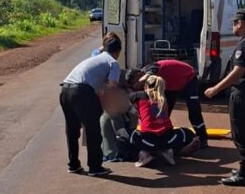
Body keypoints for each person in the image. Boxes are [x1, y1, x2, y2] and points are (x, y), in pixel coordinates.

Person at [204, 10, 245, 187]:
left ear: (240, 23)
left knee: (240, 135)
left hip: (243, 95)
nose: (233, 26)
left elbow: (238, 72)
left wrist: (216, 89)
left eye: (234, 23)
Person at [60, 38, 123, 176]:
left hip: (65, 90)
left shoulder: (95, 58)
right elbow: (112, 86)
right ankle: (95, 167)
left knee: (72, 130)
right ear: (118, 52)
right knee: (93, 130)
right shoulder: (113, 62)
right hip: (82, 92)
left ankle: (74, 165)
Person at [128, 75, 200, 167]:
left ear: (146, 86)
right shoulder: (165, 99)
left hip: (147, 140)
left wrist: (136, 112)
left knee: (125, 133)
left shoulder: (139, 95)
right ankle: (168, 151)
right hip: (169, 138)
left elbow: (125, 102)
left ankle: (144, 154)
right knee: (187, 132)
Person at [134, 60, 209, 148]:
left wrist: (141, 80)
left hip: (189, 77)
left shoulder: (149, 69)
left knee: (194, 110)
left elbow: (152, 70)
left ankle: (202, 138)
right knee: (163, 111)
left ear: (139, 75)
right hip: (171, 85)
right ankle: (163, 137)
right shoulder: (149, 81)